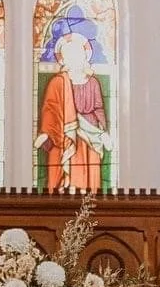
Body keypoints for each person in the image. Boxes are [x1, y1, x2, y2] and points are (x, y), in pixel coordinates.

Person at [35, 29, 110, 192]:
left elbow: (98, 109)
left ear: (84, 56)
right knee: (62, 161)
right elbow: (50, 108)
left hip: (90, 134)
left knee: (88, 176)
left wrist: (102, 131)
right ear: (64, 60)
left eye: (77, 54)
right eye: (69, 55)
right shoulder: (58, 82)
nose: (74, 58)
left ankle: (88, 198)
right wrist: (46, 131)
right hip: (63, 133)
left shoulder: (93, 83)